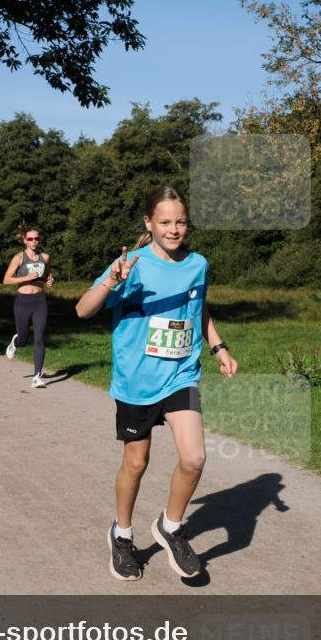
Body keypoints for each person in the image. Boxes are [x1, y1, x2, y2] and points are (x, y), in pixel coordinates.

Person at [76, 185, 238, 582]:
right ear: (149, 223)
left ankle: (171, 525)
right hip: (138, 379)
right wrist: (112, 280)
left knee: (195, 457)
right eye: (165, 222)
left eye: (181, 221)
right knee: (137, 462)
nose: (174, 229)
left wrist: (218, 347)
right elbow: (82, 310)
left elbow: (198, 307)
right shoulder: (131, 265)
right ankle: (123, 534)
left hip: (181, 373)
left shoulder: (198, 263)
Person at [2, 223, 54, 388]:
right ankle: (16, 342)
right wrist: (25, 278)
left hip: (39, 301)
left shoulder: (45, 257)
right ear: (25, 240)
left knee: (39, 338)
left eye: (36, 238)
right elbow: (6, 279)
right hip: (23, 302)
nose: (34, 241)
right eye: (30, 239)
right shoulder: (19, 258)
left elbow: (47, 274)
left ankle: (37, 376)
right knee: (24, 339)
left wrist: (50, 280)